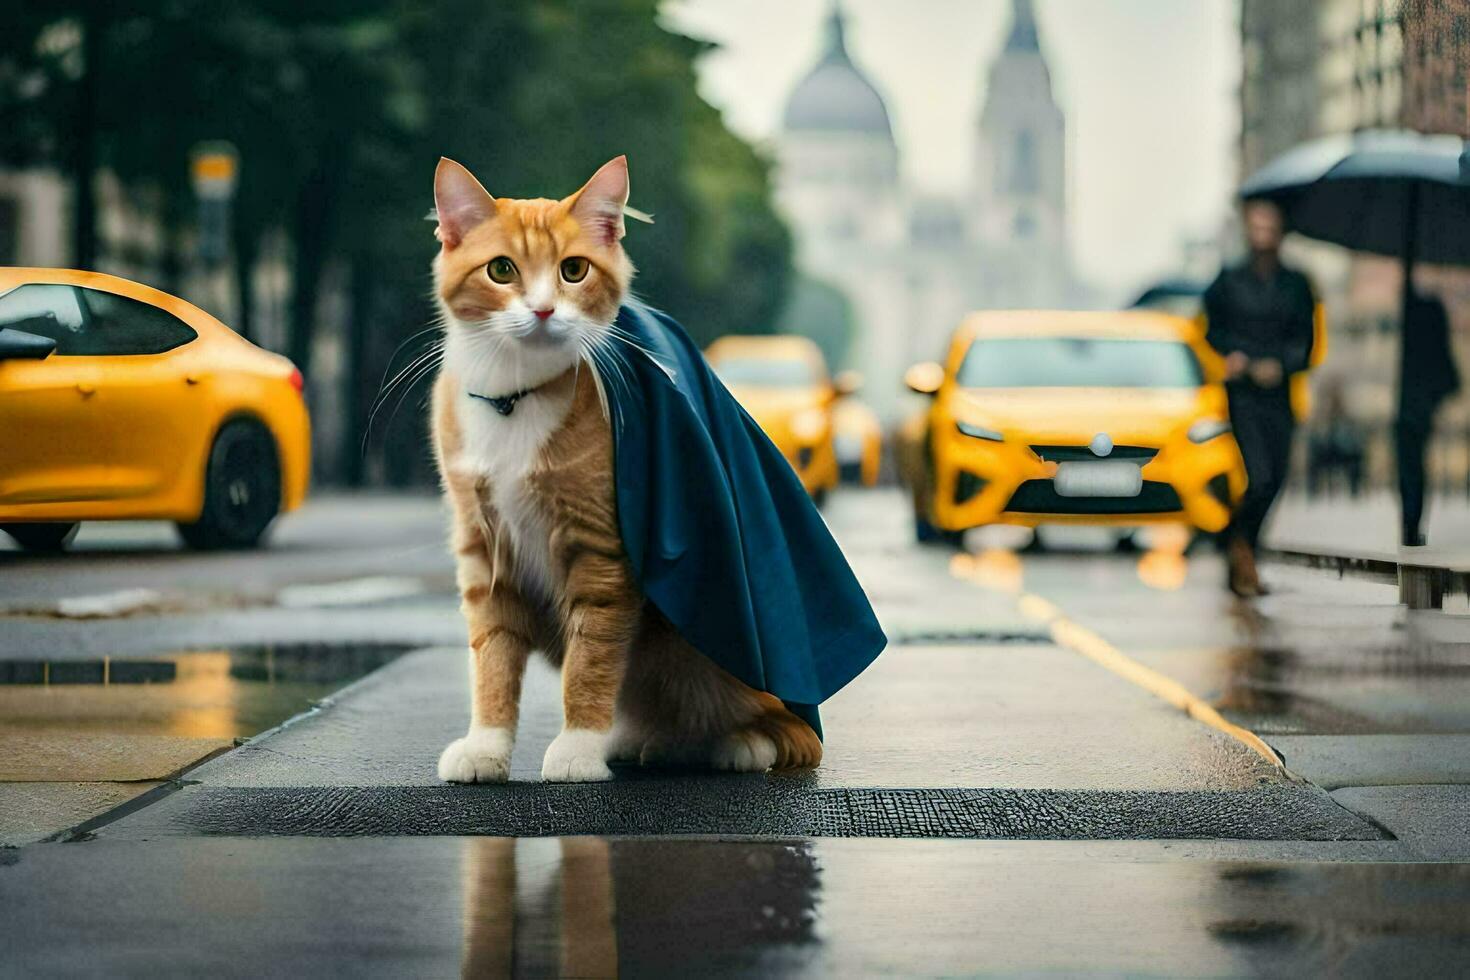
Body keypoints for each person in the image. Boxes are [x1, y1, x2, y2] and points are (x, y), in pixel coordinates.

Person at [1203, 199, 1316, 597]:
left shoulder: (1297, 284)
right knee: (1260, 475)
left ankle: (1239, 545)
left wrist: (1281, 365)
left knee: (1278, 477)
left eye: (1271, 228)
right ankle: (1241, 548)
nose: (1264, 236)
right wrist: (1233, 356)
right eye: (1257, 228)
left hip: (1279, 393)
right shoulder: (1229, 280)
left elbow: (1306, 340)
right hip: (1243, 395)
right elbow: (1211, 329)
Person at [1396, 286, 1459, 547]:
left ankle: (1410, 526)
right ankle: (1411, 526)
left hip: (1412, 408)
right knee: (1413, 470)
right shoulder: (1431, 333)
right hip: (1416, 408)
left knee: (1410, 469)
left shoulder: (1420, 334)